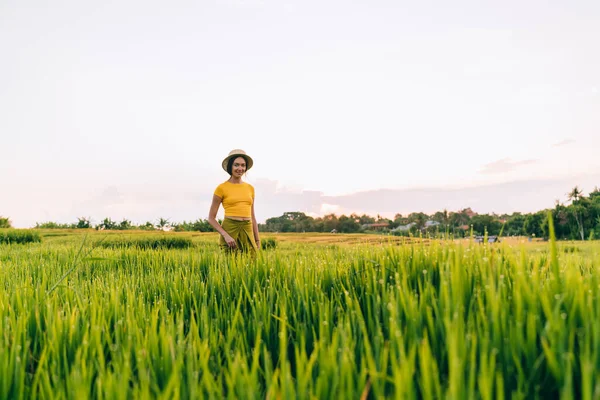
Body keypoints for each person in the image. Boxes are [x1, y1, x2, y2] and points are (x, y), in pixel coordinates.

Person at [208, 149, 260, 254]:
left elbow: (253, 216)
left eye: (243, 165)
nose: (240, 168)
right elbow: (211, 218)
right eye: (236, 165)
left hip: (248, 230)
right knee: (230, 266)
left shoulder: (250, 188)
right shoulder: (221, 188)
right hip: (230, 230)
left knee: (251, 266)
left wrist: (257, 239)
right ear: (230, 166)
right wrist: (226, 236)